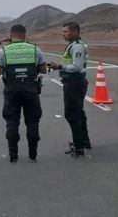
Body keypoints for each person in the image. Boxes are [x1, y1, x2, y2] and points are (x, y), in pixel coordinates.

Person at [0, 24, 47, 163]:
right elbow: (43, 70)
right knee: (33, 122)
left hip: (12, 92)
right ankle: (33, 154)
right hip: (31, 91)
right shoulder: (35, 49)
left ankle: (13, 155)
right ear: (24, 34)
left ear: (11, 35)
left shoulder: (3, 51)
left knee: (12, 122)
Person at [47, 22, 91, 157]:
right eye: (63, 32)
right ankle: (84, 142)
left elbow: (76, 67)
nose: (63, 34)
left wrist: (59, 67)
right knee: (79, 112)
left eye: (66, 32)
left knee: (72, 114)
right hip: (74, 82)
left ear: (75, 32)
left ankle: (78, 147)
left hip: (74, 82)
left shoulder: (77, 46)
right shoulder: (74, 45)